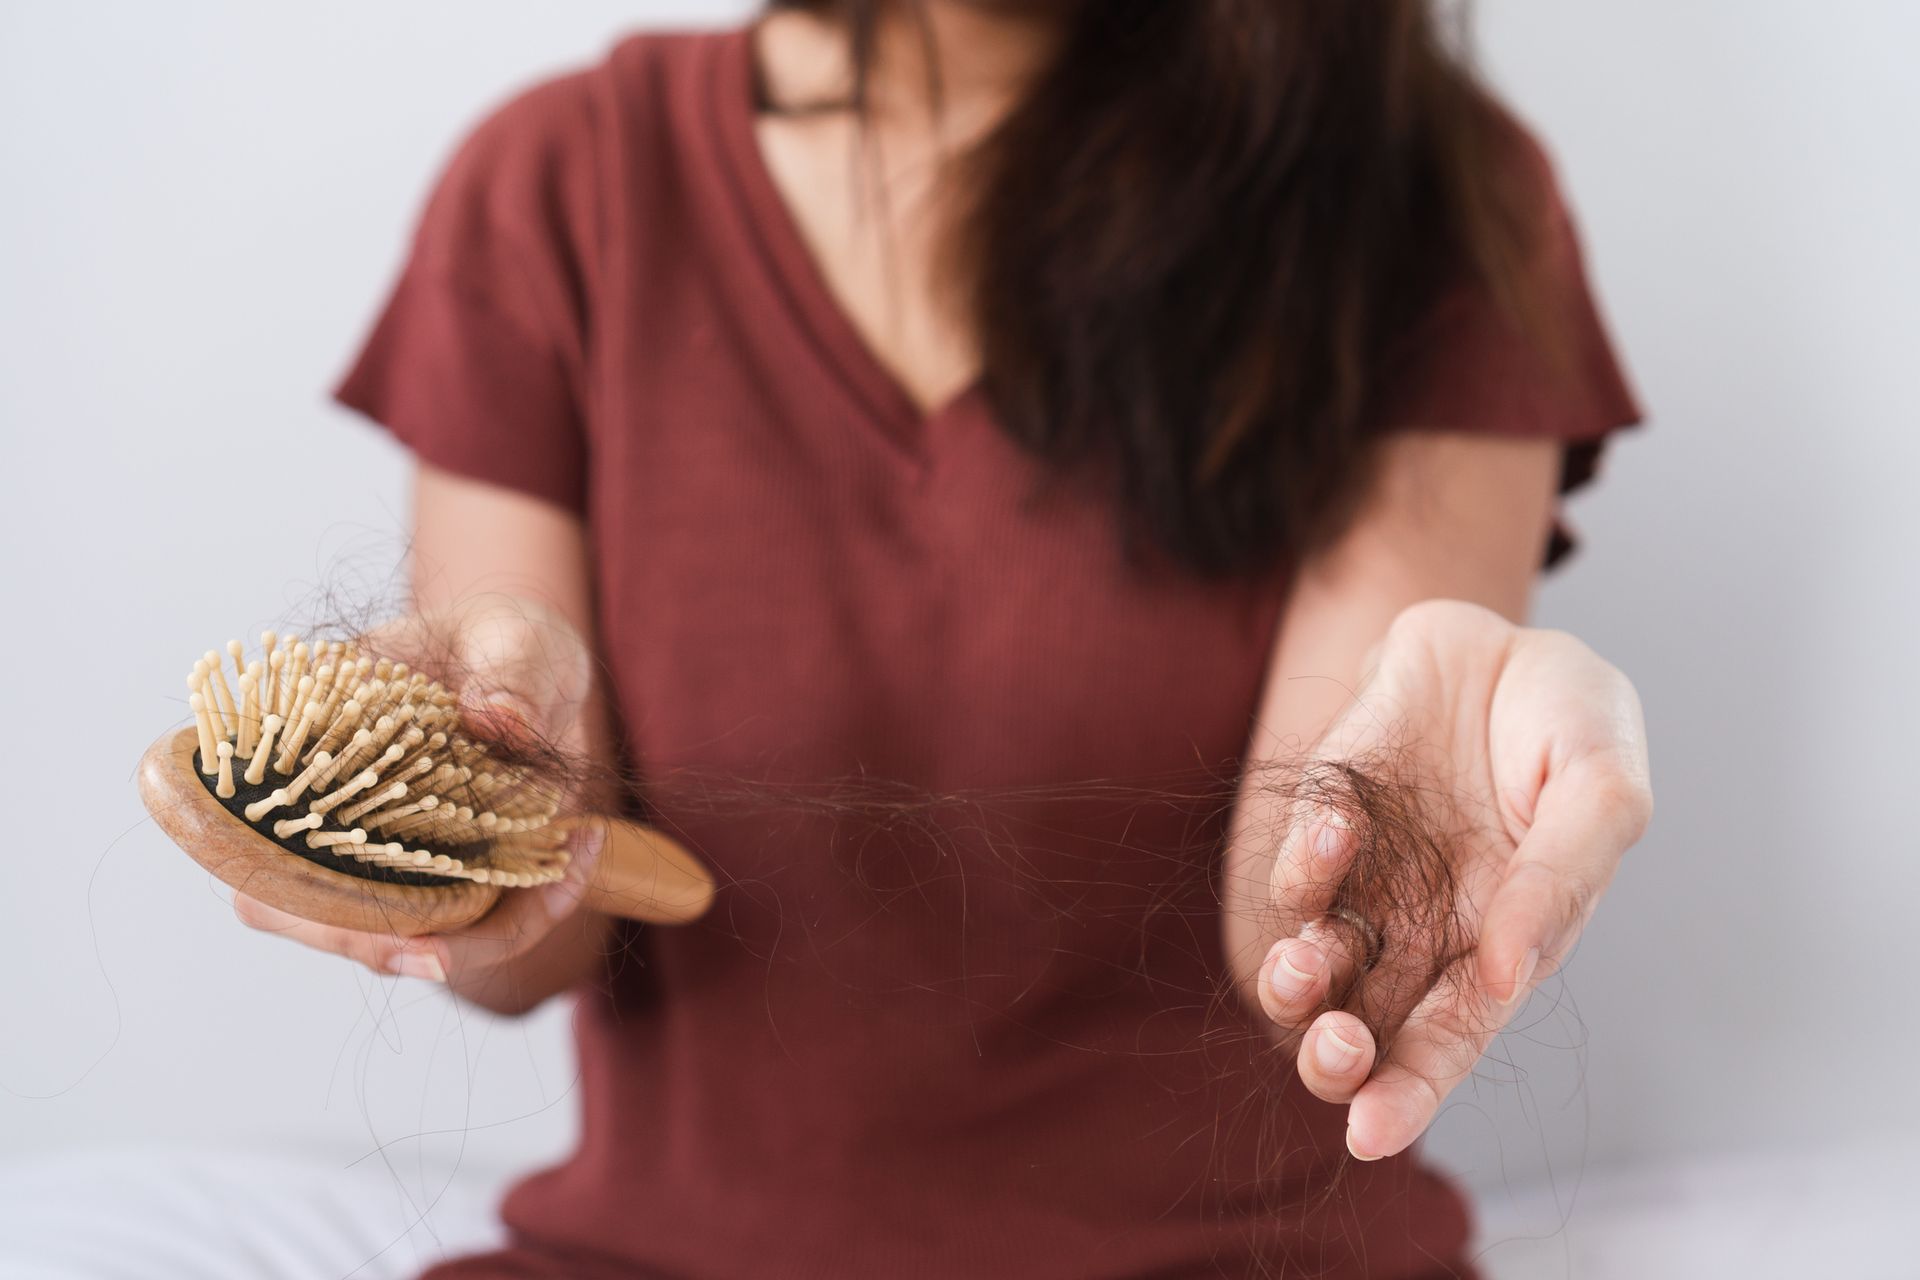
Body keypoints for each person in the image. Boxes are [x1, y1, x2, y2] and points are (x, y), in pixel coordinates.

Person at [240, 2, 1653, 1275]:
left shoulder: (1423, 199)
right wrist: (443, 840)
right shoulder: (562, 183)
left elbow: (1300, 940)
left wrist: (1418, 828)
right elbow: (536, 944)